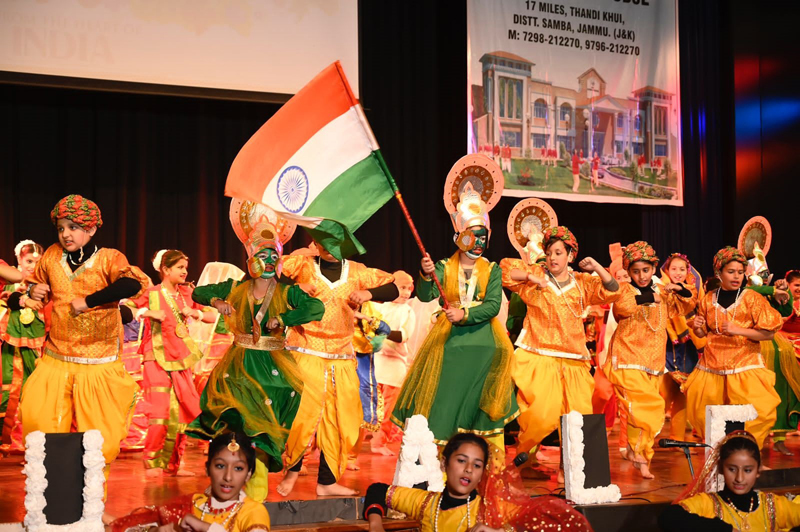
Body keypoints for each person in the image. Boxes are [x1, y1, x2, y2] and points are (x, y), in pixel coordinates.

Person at [21, 194, 149, 485]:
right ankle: (52, 498)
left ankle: (92, 500)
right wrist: (34, 292)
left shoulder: (109, 258)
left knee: (99, 444)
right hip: (57, 360)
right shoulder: (51, 256)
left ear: (90, 229)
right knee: (42, 432)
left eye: (73, 227)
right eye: (61, 228)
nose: (65, 234)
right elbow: (36, 285)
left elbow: (132, 283)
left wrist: (90, 301)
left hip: (98, 363)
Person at [393, 183, 517, 472]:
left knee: (480, 406)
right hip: (448, 346)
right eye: (473, 235)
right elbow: (425, 295)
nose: (478, 242)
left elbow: (492, 305)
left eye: (483, 236)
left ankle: (484, 470)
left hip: (485, 347)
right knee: (444, 403)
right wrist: (425, 275)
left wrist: (464, 314)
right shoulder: (443, 267)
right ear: (458, 236)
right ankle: (436, 467)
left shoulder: (493, 269)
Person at [187, 221, 325, 478]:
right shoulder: (235, 288)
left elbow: (316, 308)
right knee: (235, 423)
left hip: (273, 363)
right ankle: (231, 477)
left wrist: (284, 319)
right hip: (241, 361)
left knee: (266, 426)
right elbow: (199, 293)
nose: (269, 261)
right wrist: (217, 301)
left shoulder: (287, 292)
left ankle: (257, 482)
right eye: (263, 255)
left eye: (274, 256)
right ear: (251, 259)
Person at [277, 240, 398, 497]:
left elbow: (393, 287)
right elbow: (265, 275)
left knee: (341, 420)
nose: (330, 249)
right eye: (325, 242)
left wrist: (368, 294)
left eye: (336, 243)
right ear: (316, 243)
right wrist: (293, 287)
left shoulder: (357, 271)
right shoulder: (302, 264)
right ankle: (293, 470)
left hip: (341, 356)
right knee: (301, 417)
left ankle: (327, 480)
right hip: (305, 350)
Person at [499, 226, 620, 477]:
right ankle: (524, 459)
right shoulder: (536, 276)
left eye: (558, 253)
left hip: (574, 359)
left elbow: (613, 290)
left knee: (578, 418)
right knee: (542, 414)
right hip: (540, 355)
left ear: (570, 255)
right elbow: (504, 270)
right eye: (549, 252)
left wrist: (597, 267)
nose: (553, 258)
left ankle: (574, 471)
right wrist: (531, 277)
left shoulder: (582, 282)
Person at [363, 433, 593, 532]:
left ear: (482, 473)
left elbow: (563, 524)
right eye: (461, 460)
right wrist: (375, 524)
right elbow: (377, 490)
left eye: (477, 465)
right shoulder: (425, 503)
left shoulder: (490, 508)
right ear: (444, 464)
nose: (468, 470)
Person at [604, 242, 695, 479]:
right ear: (629, 271)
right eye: (636, 271)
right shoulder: (625, 290)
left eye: (646, 270)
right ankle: (638, 454)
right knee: (649, 407)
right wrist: (651, 297)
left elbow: (686, 305)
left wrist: (680, 289)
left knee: (639, 412)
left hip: (653, 362)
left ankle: (640, 454)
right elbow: (622, 308)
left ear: (654, 269)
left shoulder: (663, 291)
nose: (641, 276)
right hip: (627, 358)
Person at [685, 247, 783, 449]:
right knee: (707, 413)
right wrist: (697, 327)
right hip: (712, 366)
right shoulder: (708, 299)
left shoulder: (751, 298)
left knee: (756, 412)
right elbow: (703, 334)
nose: (737, 276)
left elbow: (768, 334)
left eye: (740, 272)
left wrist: (739, 330)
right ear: (719, 273)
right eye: (731, 272)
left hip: (744, 365)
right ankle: (719, 455)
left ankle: (747, 454)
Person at [131, 249, 216, 476]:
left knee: (183, 412)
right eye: (179, 267)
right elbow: (126, 307)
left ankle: (172, 465)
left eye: (185, 267)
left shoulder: (188, 293)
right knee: (160, 410)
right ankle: (152, 462)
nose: (185, 271)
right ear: (165, 270)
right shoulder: (151, 293)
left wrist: (196, 314)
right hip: (156, 356)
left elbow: (212, 316)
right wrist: (148, 312)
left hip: (181, 358)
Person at [109, 432, 271, 532]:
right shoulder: (192, 504)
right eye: (220, 466)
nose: (228, 477)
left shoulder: (253, 512)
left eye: (238, 469)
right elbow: (126, 526)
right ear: (207, 469)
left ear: (248, 475)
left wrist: (206, 528)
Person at [659, 431, 800, 531]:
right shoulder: (709, 504)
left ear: (758, 471)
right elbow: (669, 517)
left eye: (747, 470)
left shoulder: (772, 506)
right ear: (721, 468)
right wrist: (725, 529)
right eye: (732, 469)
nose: (739, 478)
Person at [0, 240, 47, 453]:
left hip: (37, 350)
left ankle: (33, 449)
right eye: (28, 261)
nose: (32, 266)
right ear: (19, 259)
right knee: (7, 392)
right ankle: (4, 443)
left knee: (35, 396)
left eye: (37, 262)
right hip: (8, 348)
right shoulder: (7, 283)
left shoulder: (44, 287)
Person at [658, 253, 705, 444]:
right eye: (674, 269)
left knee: (682, 393)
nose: (678, 273)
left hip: (687, 347)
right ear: (667, 271)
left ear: (688, 272)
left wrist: (678, 289)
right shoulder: (659, 289)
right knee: (661, 394)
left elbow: (690, 299)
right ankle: (644, 437)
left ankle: (677, 437)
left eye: (682, 269)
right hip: (665, 347)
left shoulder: (691, 290)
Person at [369, 271, 416, 456]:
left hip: (394, 365)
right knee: (367, 404)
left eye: (409, 288)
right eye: (402, 287)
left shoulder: (407, 311)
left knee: (388, 409)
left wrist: (380, 329)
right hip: (374, 363)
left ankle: (379, 442)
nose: (406, 293)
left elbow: (403, 336)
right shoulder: (377, 307)